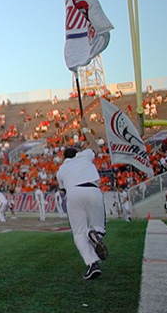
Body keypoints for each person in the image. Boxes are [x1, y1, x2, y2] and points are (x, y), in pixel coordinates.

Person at [56, 119, 107, 280]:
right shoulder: (84, 156)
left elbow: (62, 189)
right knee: (98, 226)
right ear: (77, 153)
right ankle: (96, 233)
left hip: (73, 192)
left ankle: (92, 264)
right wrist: (85, 129)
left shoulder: (61, 169)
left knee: (79, 233)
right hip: (92, 188)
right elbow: (95, 146)